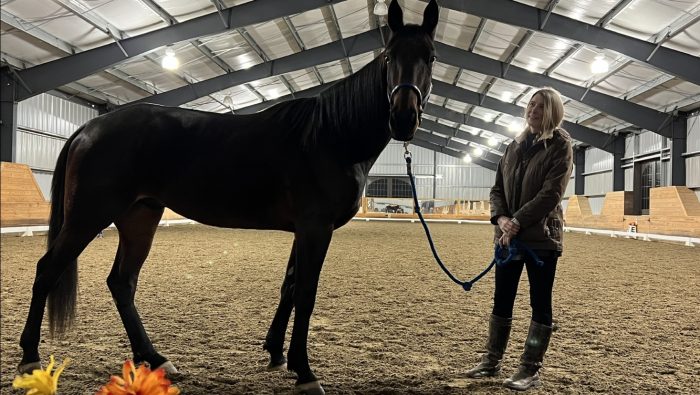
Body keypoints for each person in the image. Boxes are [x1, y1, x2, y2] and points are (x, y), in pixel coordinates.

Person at [466, 87, 573, 391]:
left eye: (540, 107)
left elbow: (551, 193)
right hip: (508, 238)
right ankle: (491, 359)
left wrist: (516, 221)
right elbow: (496, 188)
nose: (533, 111)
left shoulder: (560, 144)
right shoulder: (514, 146)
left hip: (541, 239)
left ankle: (530, 368)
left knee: (540, 303)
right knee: (502, 299)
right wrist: (501, 219)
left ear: (552, 111)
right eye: (530, 105)